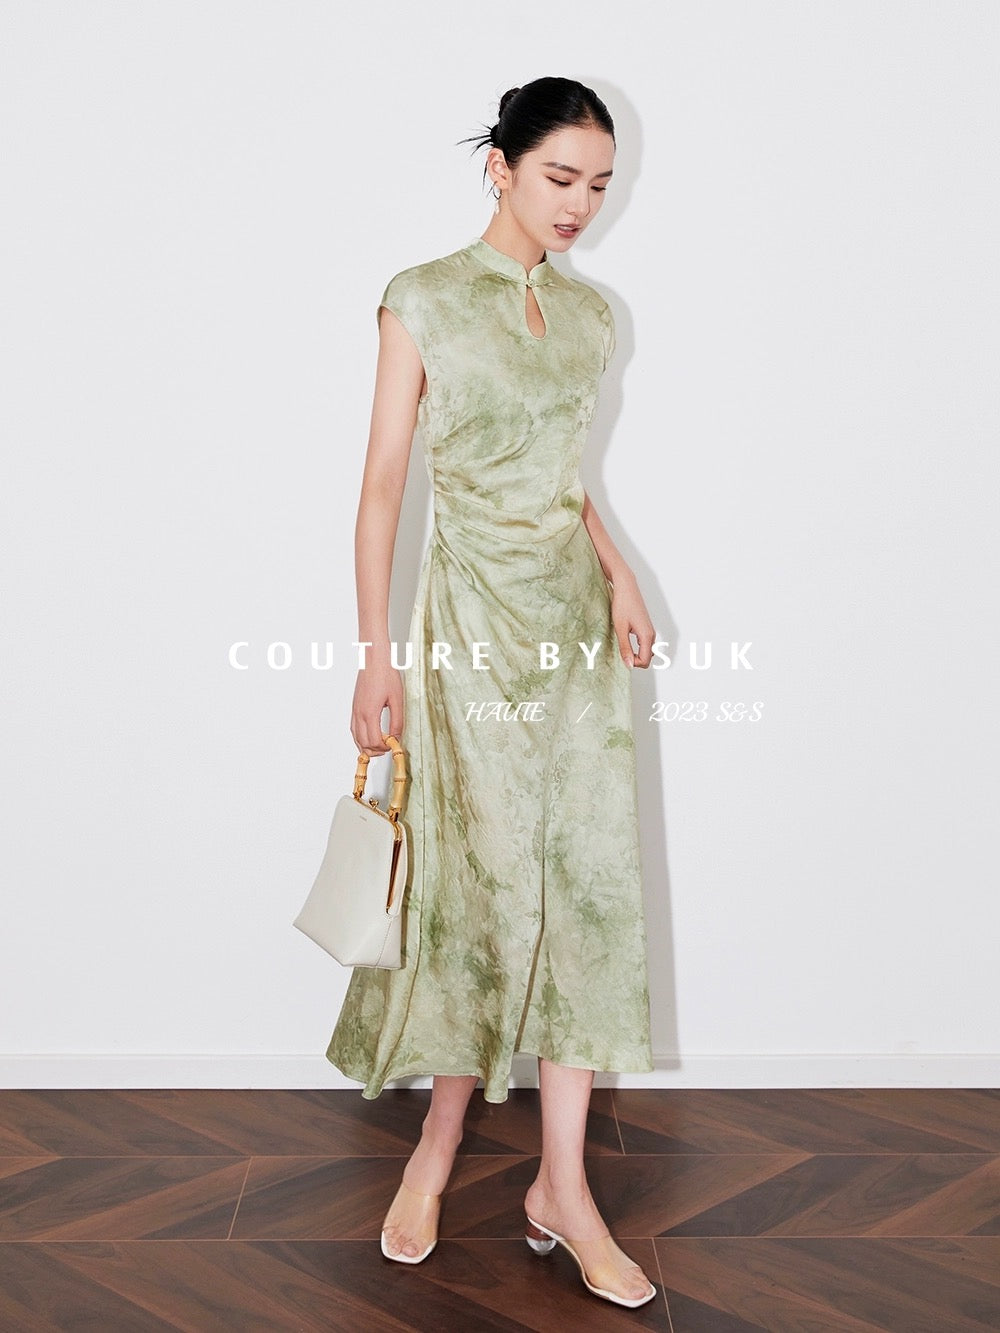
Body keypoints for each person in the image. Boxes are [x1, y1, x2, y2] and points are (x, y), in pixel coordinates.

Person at [325, 76, 658, 1310]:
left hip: (572, 632)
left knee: (584, 890)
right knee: (476, 884)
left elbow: (564, 476)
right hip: (465, 627)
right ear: (500, 167)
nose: (579, 205)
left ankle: (563, 1187)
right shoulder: (421, 298)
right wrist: (375, 654)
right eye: (560, 177)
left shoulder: (590, 316)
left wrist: (619, 574)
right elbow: (381, 487)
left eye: (598, 186)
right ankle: (436, 1145)